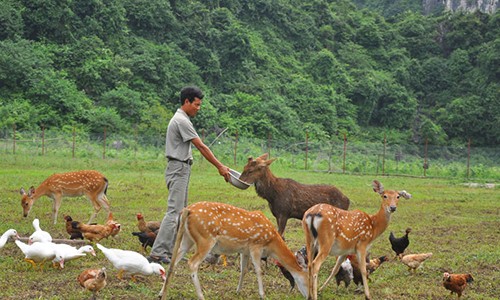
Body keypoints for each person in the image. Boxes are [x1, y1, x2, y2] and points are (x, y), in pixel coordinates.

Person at [148, 86, 230, 264]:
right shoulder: (181, 121)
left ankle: (170, 251)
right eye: (197, 104)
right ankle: (158, 252)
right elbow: (201, 146)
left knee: (182, 213)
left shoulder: (182, 119)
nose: (198, 108)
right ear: (187, 102)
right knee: (174, 212)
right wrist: (220, 166)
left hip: (181, 167)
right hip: (178, 167)